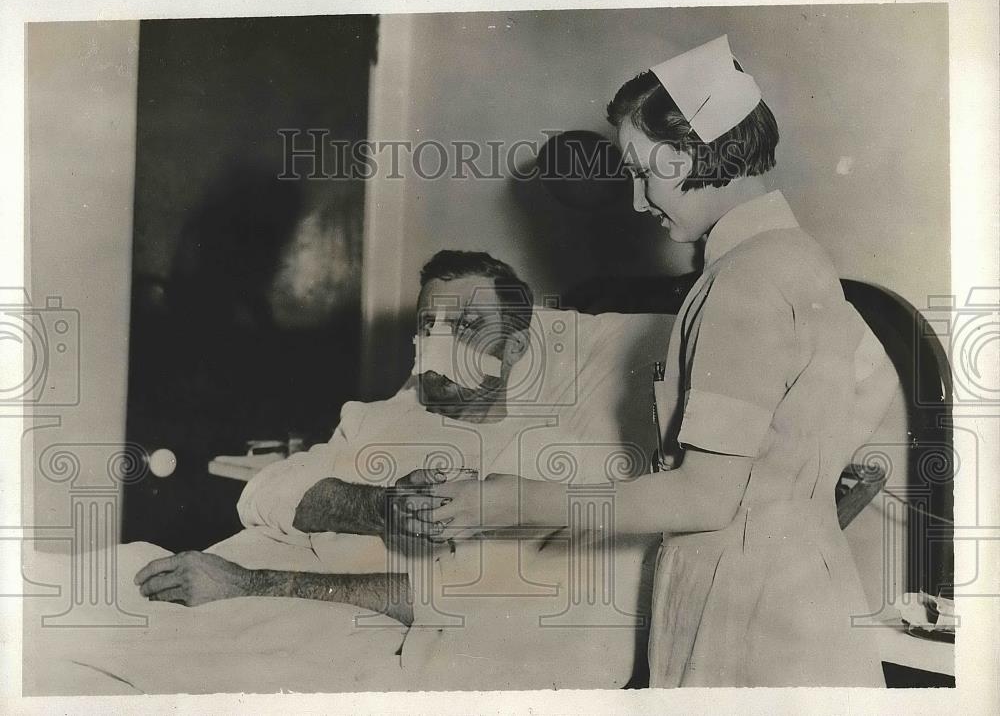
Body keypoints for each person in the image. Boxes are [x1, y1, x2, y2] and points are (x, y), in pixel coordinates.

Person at [417, 35, 894, 687]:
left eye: (643, 171)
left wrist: (508, 503)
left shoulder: (742, 285)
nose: (639, 201)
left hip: (742, 610)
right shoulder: (802, 262)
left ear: (693, 150)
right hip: (808, 596)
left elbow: (703, 498)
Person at [133, 250, 655, 661]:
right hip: (226, 578)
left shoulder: (541, 456)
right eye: (430, 325)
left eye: (468, 325)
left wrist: (247, 586)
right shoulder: (376, 418)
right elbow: (263, 494)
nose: (440, 342)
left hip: (318, 622)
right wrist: (378, 508)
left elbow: (455, 596)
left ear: (516, 348)